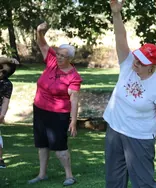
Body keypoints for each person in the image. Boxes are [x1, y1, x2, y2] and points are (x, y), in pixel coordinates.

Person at [103, 1, 156, 188]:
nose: (136, 63)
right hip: (115, 130)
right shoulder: (127, 64)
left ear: (152, 66)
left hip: (139, 137)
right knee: (113, 182)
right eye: (137, 57)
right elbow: (120, 36)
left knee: (143, 184)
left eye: (141, 62)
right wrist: (116, 13)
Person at [28, 22, 82, 186]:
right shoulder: (51, 60)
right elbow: (42, 44)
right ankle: (42, 174)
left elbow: (74, 99)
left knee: (59, 146)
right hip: (40, 109)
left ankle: (69, 176)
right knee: (42, 143)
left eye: (62, 56)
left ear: (70, 59)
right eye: (58, 53)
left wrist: (73, 120)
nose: (58, 57)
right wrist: (40, 32)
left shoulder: (74, 76)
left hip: (58, 113)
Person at [0, 57, 18, 168]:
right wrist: (9, 59)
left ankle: (0, 159)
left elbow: (6, 100)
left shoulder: (7, 84)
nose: (1, 72)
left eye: (4, 71)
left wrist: (2, 115)